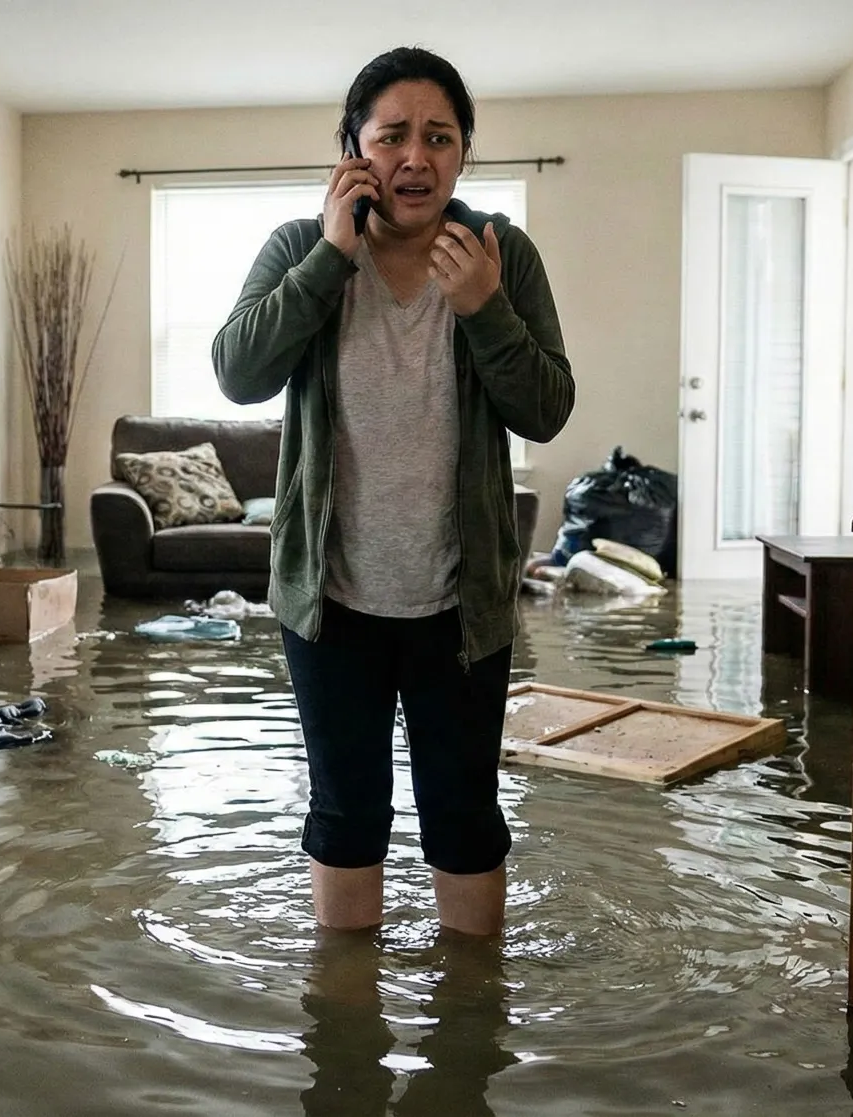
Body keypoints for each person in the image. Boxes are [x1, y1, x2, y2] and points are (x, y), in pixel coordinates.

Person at [211, 47, 574, 936]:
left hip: (463, 604)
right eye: (392, 136)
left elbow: (547, 408)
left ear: (463, 154)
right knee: (345, 813)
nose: (416, 157)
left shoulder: (499, 252)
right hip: (331, 603)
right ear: (353, 150)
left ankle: (469, 1037)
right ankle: (344, 1043)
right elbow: (238, 371)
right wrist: (330, 258)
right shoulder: (303, 249)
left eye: (440, 138)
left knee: (465, 815)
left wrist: (486, 306)